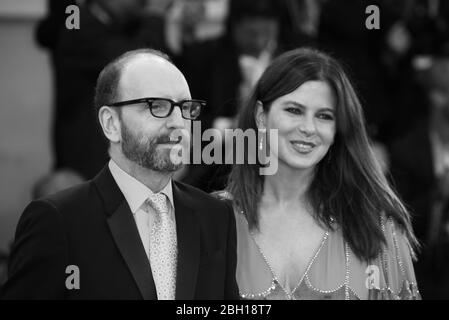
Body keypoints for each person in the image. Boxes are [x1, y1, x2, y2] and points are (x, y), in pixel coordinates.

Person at [0, 49, 239, 300]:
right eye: (156, 106)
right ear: (111, 124)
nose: (178, 123)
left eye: (186, 108)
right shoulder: (58, 221)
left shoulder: (215, 216)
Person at [218, 48, 420, 299]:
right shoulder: (211, 219)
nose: (308, 128)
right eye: (294, 110)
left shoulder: (377, 225)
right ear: (261, 116)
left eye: (324, 116)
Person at [388, 54, 449, 299]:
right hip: (423, 269)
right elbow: (399, 219)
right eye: (443, 92)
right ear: (432, 96)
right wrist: (438, 194)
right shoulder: (405, 150)